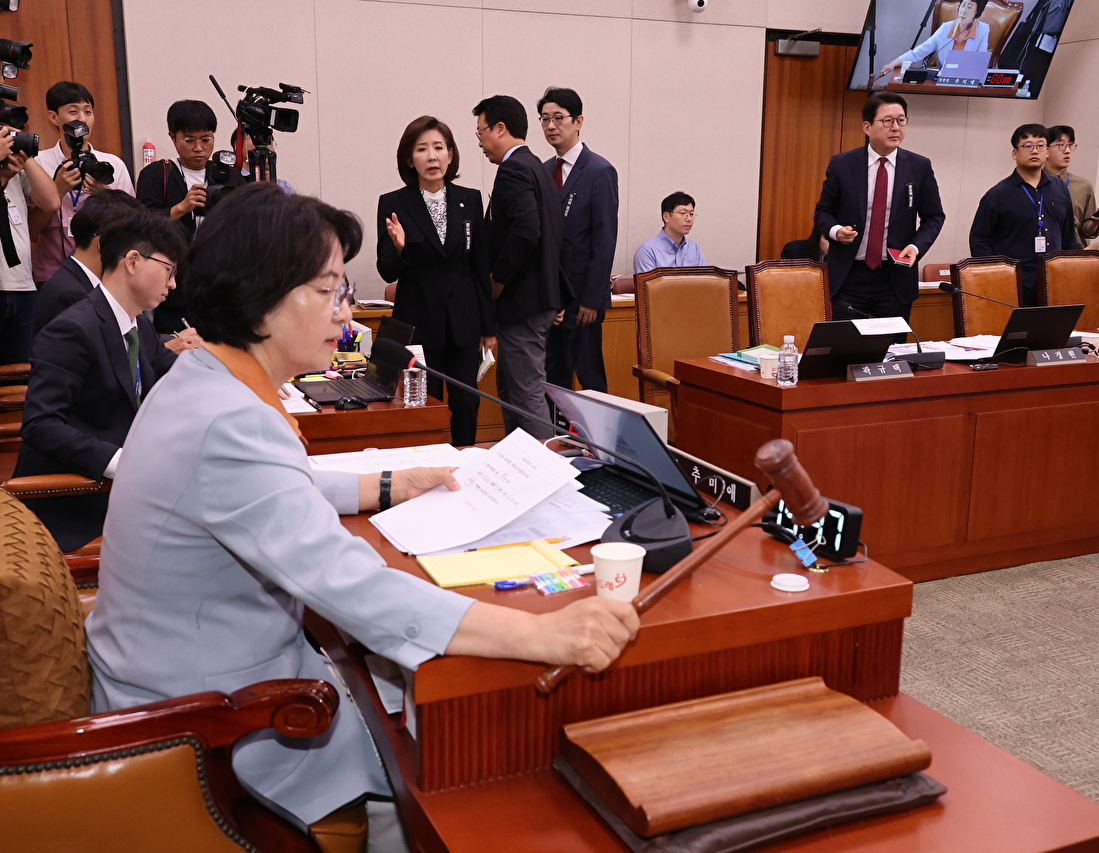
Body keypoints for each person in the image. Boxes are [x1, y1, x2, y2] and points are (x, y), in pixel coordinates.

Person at [83, 184, 639, 851]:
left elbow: (274, 487)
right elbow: (355, 587)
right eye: (328, 289)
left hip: (177, 668)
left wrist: (390, 482)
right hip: (208, 719)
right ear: (264, 294)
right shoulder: (230, 424)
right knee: (443, 748)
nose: (342, 311)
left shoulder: (203, 376)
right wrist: (543, 634)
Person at [14, 210, 193, 551]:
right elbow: (40, 424)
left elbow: (178, 374)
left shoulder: (137, 326)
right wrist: (118, 462)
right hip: (78, 499)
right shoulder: (73, 329)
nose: (172, 284)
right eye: (169, 271)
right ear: (133, 261)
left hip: (130, 490)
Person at [377, 115, 494, 446]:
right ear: (409, 158)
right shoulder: (393, 203)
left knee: (467, 402)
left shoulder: (469, 199)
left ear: (451, 154)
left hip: (464, 324)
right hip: (418, 324)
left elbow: (478, 264)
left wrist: (489, 327)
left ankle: (465, 461)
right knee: (424, 405)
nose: (432, 157)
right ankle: (427, 470)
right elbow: (386, 270)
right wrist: (399, 248)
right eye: (422, 149)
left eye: (439, 148)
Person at [474, 94, 566, 440]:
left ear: (500, 128)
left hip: (521, 302)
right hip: (536, 300)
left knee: (525, 393)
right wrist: (557, 294)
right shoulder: (540, 169)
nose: (481, 143)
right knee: (513, 392)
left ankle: (550, 471)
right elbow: (559, 238)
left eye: (481, 132)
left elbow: (528, 232)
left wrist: (497, 280)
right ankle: (521, 465)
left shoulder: (514, 169)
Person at [814, 92, 945, 321]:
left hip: (895, 277)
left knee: (893, 353)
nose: (896, 128)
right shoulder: (843, 164)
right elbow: (823, 211)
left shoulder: (919, 167)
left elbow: (934, 216)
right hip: (849, 276)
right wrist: (836, 232)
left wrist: (915, 247)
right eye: (887, 121)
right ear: (867, 127)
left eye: (901, 120)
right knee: (846, 350)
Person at [136, 99, 245, 333]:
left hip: (221, 288)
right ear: (172, 137)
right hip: (174, 292)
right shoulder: (157, 175)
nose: (199, 148)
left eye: (206, 139)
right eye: (189, 140)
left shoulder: (229, 177)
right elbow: (142, 225)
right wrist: (180, 208)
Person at [539, 87, 618, 394]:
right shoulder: (544, 170)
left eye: (559, 118)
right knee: (552, 379)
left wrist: (592, 299)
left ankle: (599, 443)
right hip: (552, 301)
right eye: (545, 119)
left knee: (589, 378)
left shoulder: (599, 170)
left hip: (583, 298)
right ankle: (555, 439)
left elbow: (604, 240)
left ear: (578, 121)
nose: (550, 126)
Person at [31, 81, 136, 287]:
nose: (82, 119)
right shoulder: (38, 163)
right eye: (73, 111)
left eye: (88, 111)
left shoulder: (111, 165)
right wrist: (58, 191)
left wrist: (104, 193)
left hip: (105, 275)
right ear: (54, 117)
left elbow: (134, 222)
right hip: (52, 276)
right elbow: (33, 227)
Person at [970, 123, 1077, 304]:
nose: (1034, 151)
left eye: (1041, 145)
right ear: (1015, 153)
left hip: (1055, 282)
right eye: (1027, 145)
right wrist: (997, 275)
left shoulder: (1059, 188)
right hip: (1014, 284)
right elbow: (979, 240)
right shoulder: (998, 194)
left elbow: (1068, 237)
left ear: (1048, 151)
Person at [33, 189, 145, 336]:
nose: (133, 258)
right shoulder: (69, 295)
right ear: (103, 242)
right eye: (130, 246)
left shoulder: (85, 283)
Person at [0, 125, 61, 365]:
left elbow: (51, 201)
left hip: (22, 286)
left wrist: (24, 154)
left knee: (21, 379)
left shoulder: (13, 165)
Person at [878, 0, 990, 82]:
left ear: (977, 11)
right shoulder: (946, 28)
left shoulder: (983, 30)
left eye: (969, 7)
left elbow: (979, 64)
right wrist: (892, 64)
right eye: (963, 5)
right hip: (942, 82)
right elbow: (919, 51)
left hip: (967, 82)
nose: (963, 11)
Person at [1044, 125, 1099, 249]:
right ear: (1046, 150)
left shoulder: (1083, 186)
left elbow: (1085, 232)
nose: (1067, 151)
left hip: (1076, 255)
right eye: (1061, 145)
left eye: (1071, 145)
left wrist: (1095, 222)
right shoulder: (1033, 184)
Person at [633, 192, 705, 273]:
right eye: (683, 213)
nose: (689, 219)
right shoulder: (647, 251)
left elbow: (703, 282)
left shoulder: (694, 248)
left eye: (691, 214)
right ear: (666, 217)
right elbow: (647, 285)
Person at [230, 125, 295, 193]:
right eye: (255, 139)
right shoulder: (232, 180)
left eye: (269, 142)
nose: (265, 146)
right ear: (238, 146)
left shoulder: (283, 186)